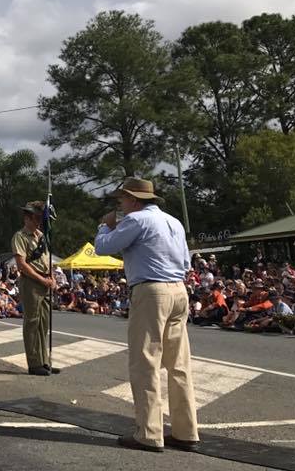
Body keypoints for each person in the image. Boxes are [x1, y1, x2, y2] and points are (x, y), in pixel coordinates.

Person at [95, 177, 199, 453]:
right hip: (179, 289)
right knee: (179, 365)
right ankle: (186, 431)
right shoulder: (173, 222)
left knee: (145, 363)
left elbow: (103, 247)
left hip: (151, 290)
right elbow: (186, 262)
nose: (120, 205)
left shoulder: (137, 220)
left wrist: (104, 225)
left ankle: (149, 433)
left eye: (122, 200)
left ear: (134, 199)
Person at [11, 201, 57, 377]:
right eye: (36, 218)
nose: (39, 221)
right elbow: (22, 264)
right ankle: (34, 363)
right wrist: (41, 279)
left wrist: (51, 277)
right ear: (27, 218)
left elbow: (46, 259)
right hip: (31, 281)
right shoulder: (20, 236)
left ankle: (44, 360)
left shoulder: (42, 236)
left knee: (43, 323)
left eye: (40, 218)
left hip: (44, 280)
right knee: (32, 323)